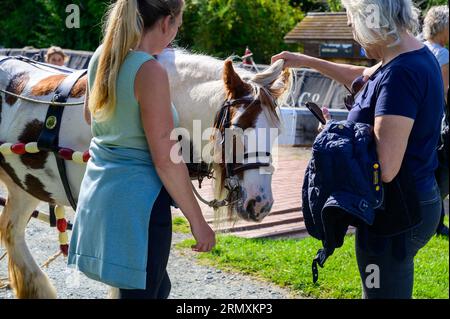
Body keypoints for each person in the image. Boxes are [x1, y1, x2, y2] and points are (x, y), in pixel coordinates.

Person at [273, 0, 444, 299]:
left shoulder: (401, 74)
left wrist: (332, 136)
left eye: (353, 21)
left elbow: (386, 166)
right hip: (413, 200)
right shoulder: (410, 55)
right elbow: (364, 78)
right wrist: (306, 61)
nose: (352, 29)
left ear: (372, 21)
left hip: (396, 214)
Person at [68, 0, 215, 299]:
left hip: (100, 193)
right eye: (177, 26)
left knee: (157, 289)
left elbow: (90, 116)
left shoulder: (102, 57)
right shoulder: (149, 71)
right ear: (165, 23)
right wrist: (198, 223)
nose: (175, 33)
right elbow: (166, 161)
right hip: (140, 208)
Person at [423, 5, 449, 237]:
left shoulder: (421, 49)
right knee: (440, 170)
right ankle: (436, 223)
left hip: (420, 118)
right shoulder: (443, 54)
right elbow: (445, 92)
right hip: (438, 119)